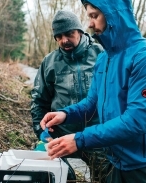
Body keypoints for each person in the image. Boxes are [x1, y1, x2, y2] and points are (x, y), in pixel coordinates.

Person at [41, 0, 146, 183]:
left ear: (113, 15)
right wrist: (65, 114)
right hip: (114, 163)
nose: (90, 24)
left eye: (94, 16)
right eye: (89, 17)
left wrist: (79, 140)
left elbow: (136, 120)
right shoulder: (104, 59)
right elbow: (92, 104)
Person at [30, 10, 107, 182]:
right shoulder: (49, 63)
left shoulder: (102, 54)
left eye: (69, 34)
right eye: (59, 36)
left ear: (79, 31)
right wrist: (41, 132)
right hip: (61, 136)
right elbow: (39, 101)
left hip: (97, 136)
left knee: (105, 178)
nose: (64, 40)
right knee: (55, 177)